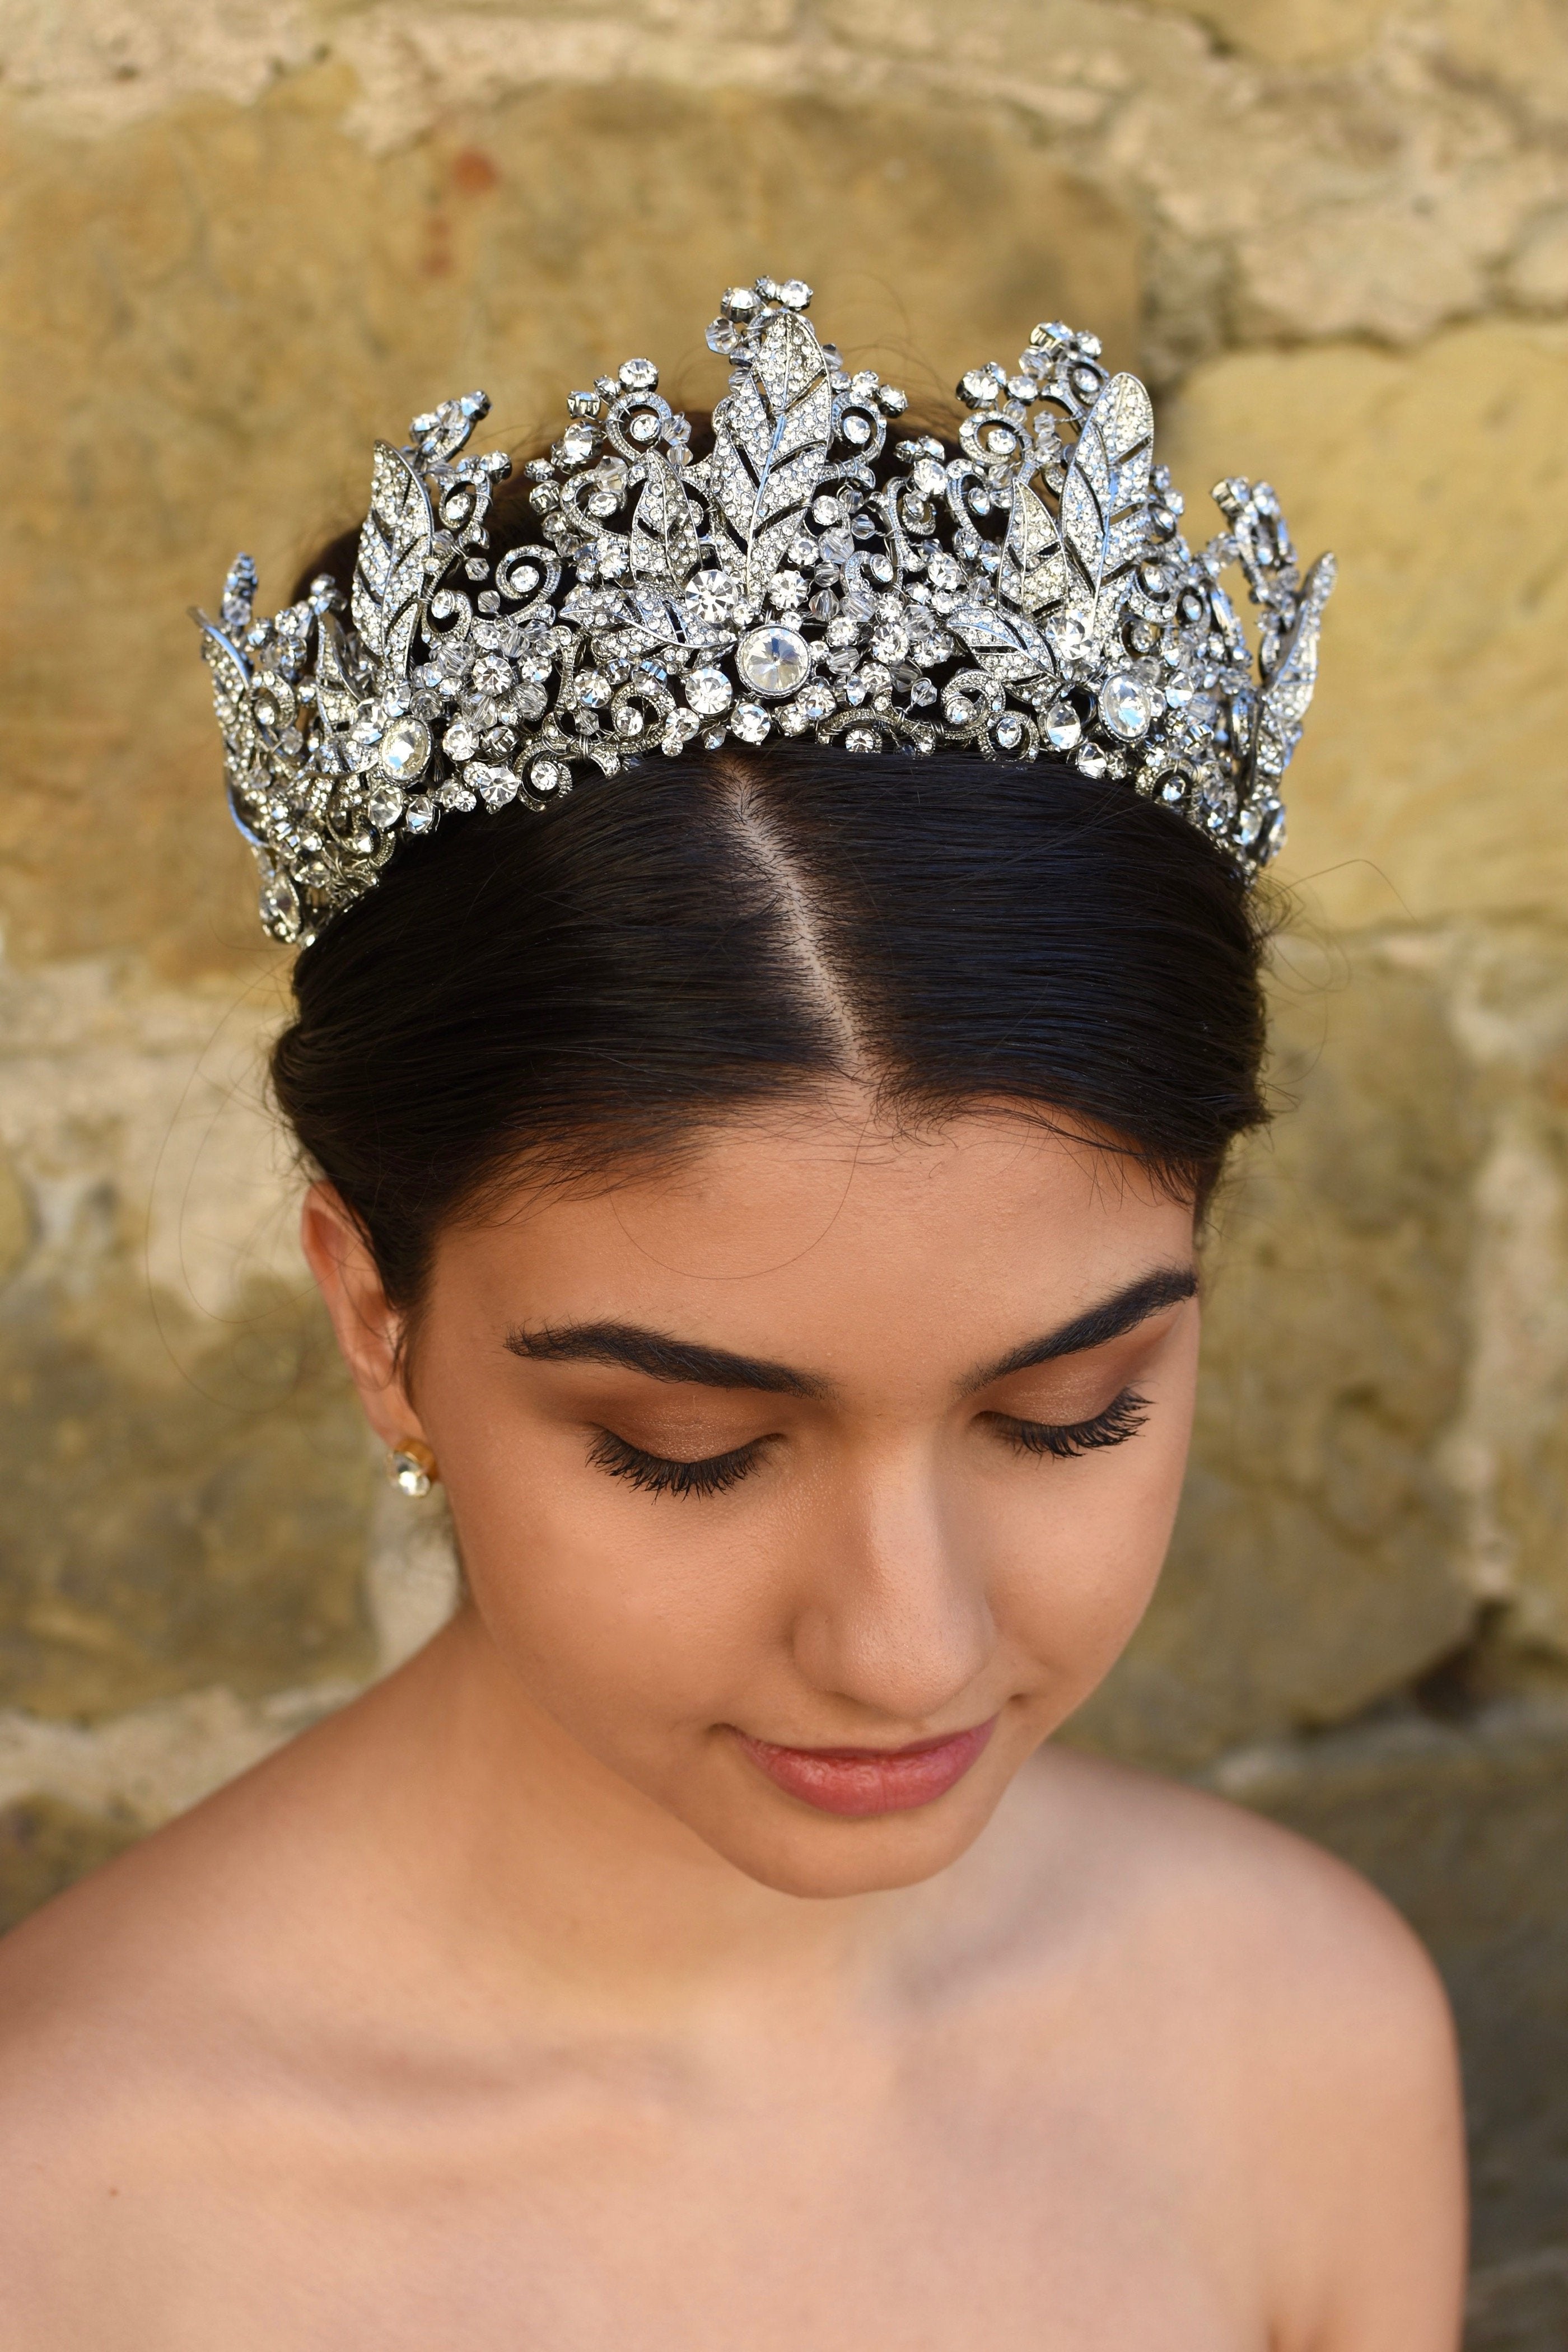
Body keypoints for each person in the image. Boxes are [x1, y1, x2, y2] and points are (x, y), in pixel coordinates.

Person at [0, 280, 1464, 2348]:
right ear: (373, 1317)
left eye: (1068, 1411)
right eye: (682, 1449)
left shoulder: (1300, 2042)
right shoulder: (70, 2214)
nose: (907, 1645)